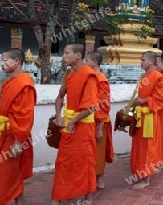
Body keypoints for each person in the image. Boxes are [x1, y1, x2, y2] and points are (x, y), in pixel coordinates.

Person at [52, 44, 99, 205]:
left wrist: (73, 121)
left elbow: (92, 106)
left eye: (66, 53)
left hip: (83, 126)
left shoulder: (89, 75)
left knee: (85, 161)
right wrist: (59, 115)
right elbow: (59, 97)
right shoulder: (69, 74)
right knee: (63, 161)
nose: (63, 56)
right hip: (69, 125)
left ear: (78, 55)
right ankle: (58, 196)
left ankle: (88, 197)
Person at [0, 48, 36, 205]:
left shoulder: (24, 84)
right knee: (11, 173)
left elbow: (25, 116)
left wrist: (18, 142)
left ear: (17, 61)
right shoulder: (8, 83)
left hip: (14, 136)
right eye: (1, 61)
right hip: (1, 134)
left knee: (5, 174)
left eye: (6, 60)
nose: (2, 64)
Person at [129, 51, 163, 190]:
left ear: (151, 61)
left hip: (149, 117)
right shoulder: (144, 76)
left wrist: (144, 100)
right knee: (139, 147)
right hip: (140, 116)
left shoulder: (158, 77)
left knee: (148, 148)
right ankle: (141, 172)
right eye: (141, 60)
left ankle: (146, 179)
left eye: (143, 60)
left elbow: (160, 99)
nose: (141, 62)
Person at [85, 51, 114, 189]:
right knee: (91, 152)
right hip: (89, 120)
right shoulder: (90, 77)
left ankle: (100, 179)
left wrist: (99, 127)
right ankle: (91, 179)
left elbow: (104, 104)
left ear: (94, 62)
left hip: (99, 121)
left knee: (99, 152)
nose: (85, 63)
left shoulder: (100, 79)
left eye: (87, 60)